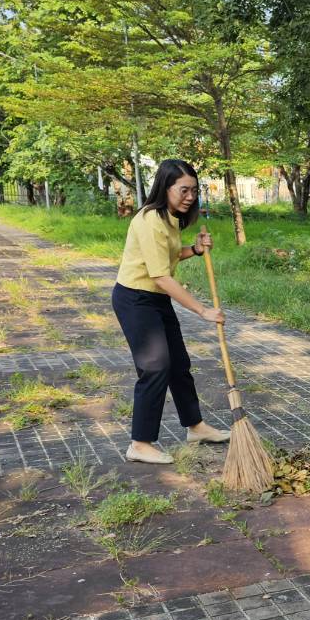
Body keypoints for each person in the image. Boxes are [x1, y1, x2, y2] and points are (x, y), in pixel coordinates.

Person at [111, 159, 231, 465]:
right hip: (135, 298)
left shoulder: (170, 218)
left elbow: (169, 256)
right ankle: (140, 443)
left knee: (178, 363)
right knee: (155, 366)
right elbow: (161, 276)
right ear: (165, 187)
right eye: (183, 190)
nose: (190, 196)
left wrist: (195, 250)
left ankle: (195, 427)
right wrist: (202, 311)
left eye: (194, 190)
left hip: (156, 298)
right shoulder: (150, 220)